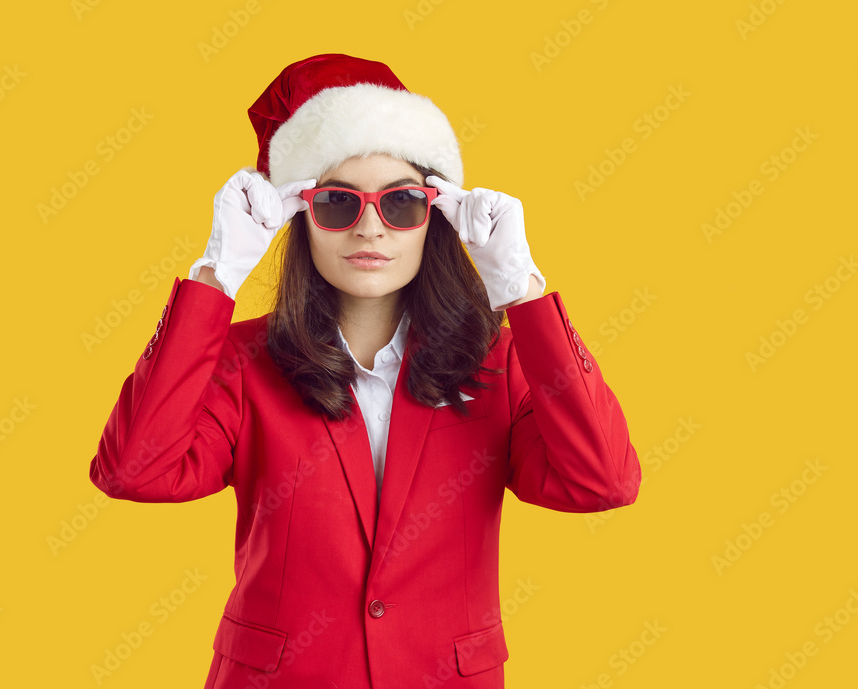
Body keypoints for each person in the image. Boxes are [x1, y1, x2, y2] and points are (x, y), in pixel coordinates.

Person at [89, 53, 641, 689]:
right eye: (336, 203)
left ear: (436, 214)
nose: (371, 228)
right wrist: (217, 274)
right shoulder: (242, 364)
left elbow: (602, 481)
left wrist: (521, 288)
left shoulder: (504, 362)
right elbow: (134, 469)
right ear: (300, 216)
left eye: (402, 202)